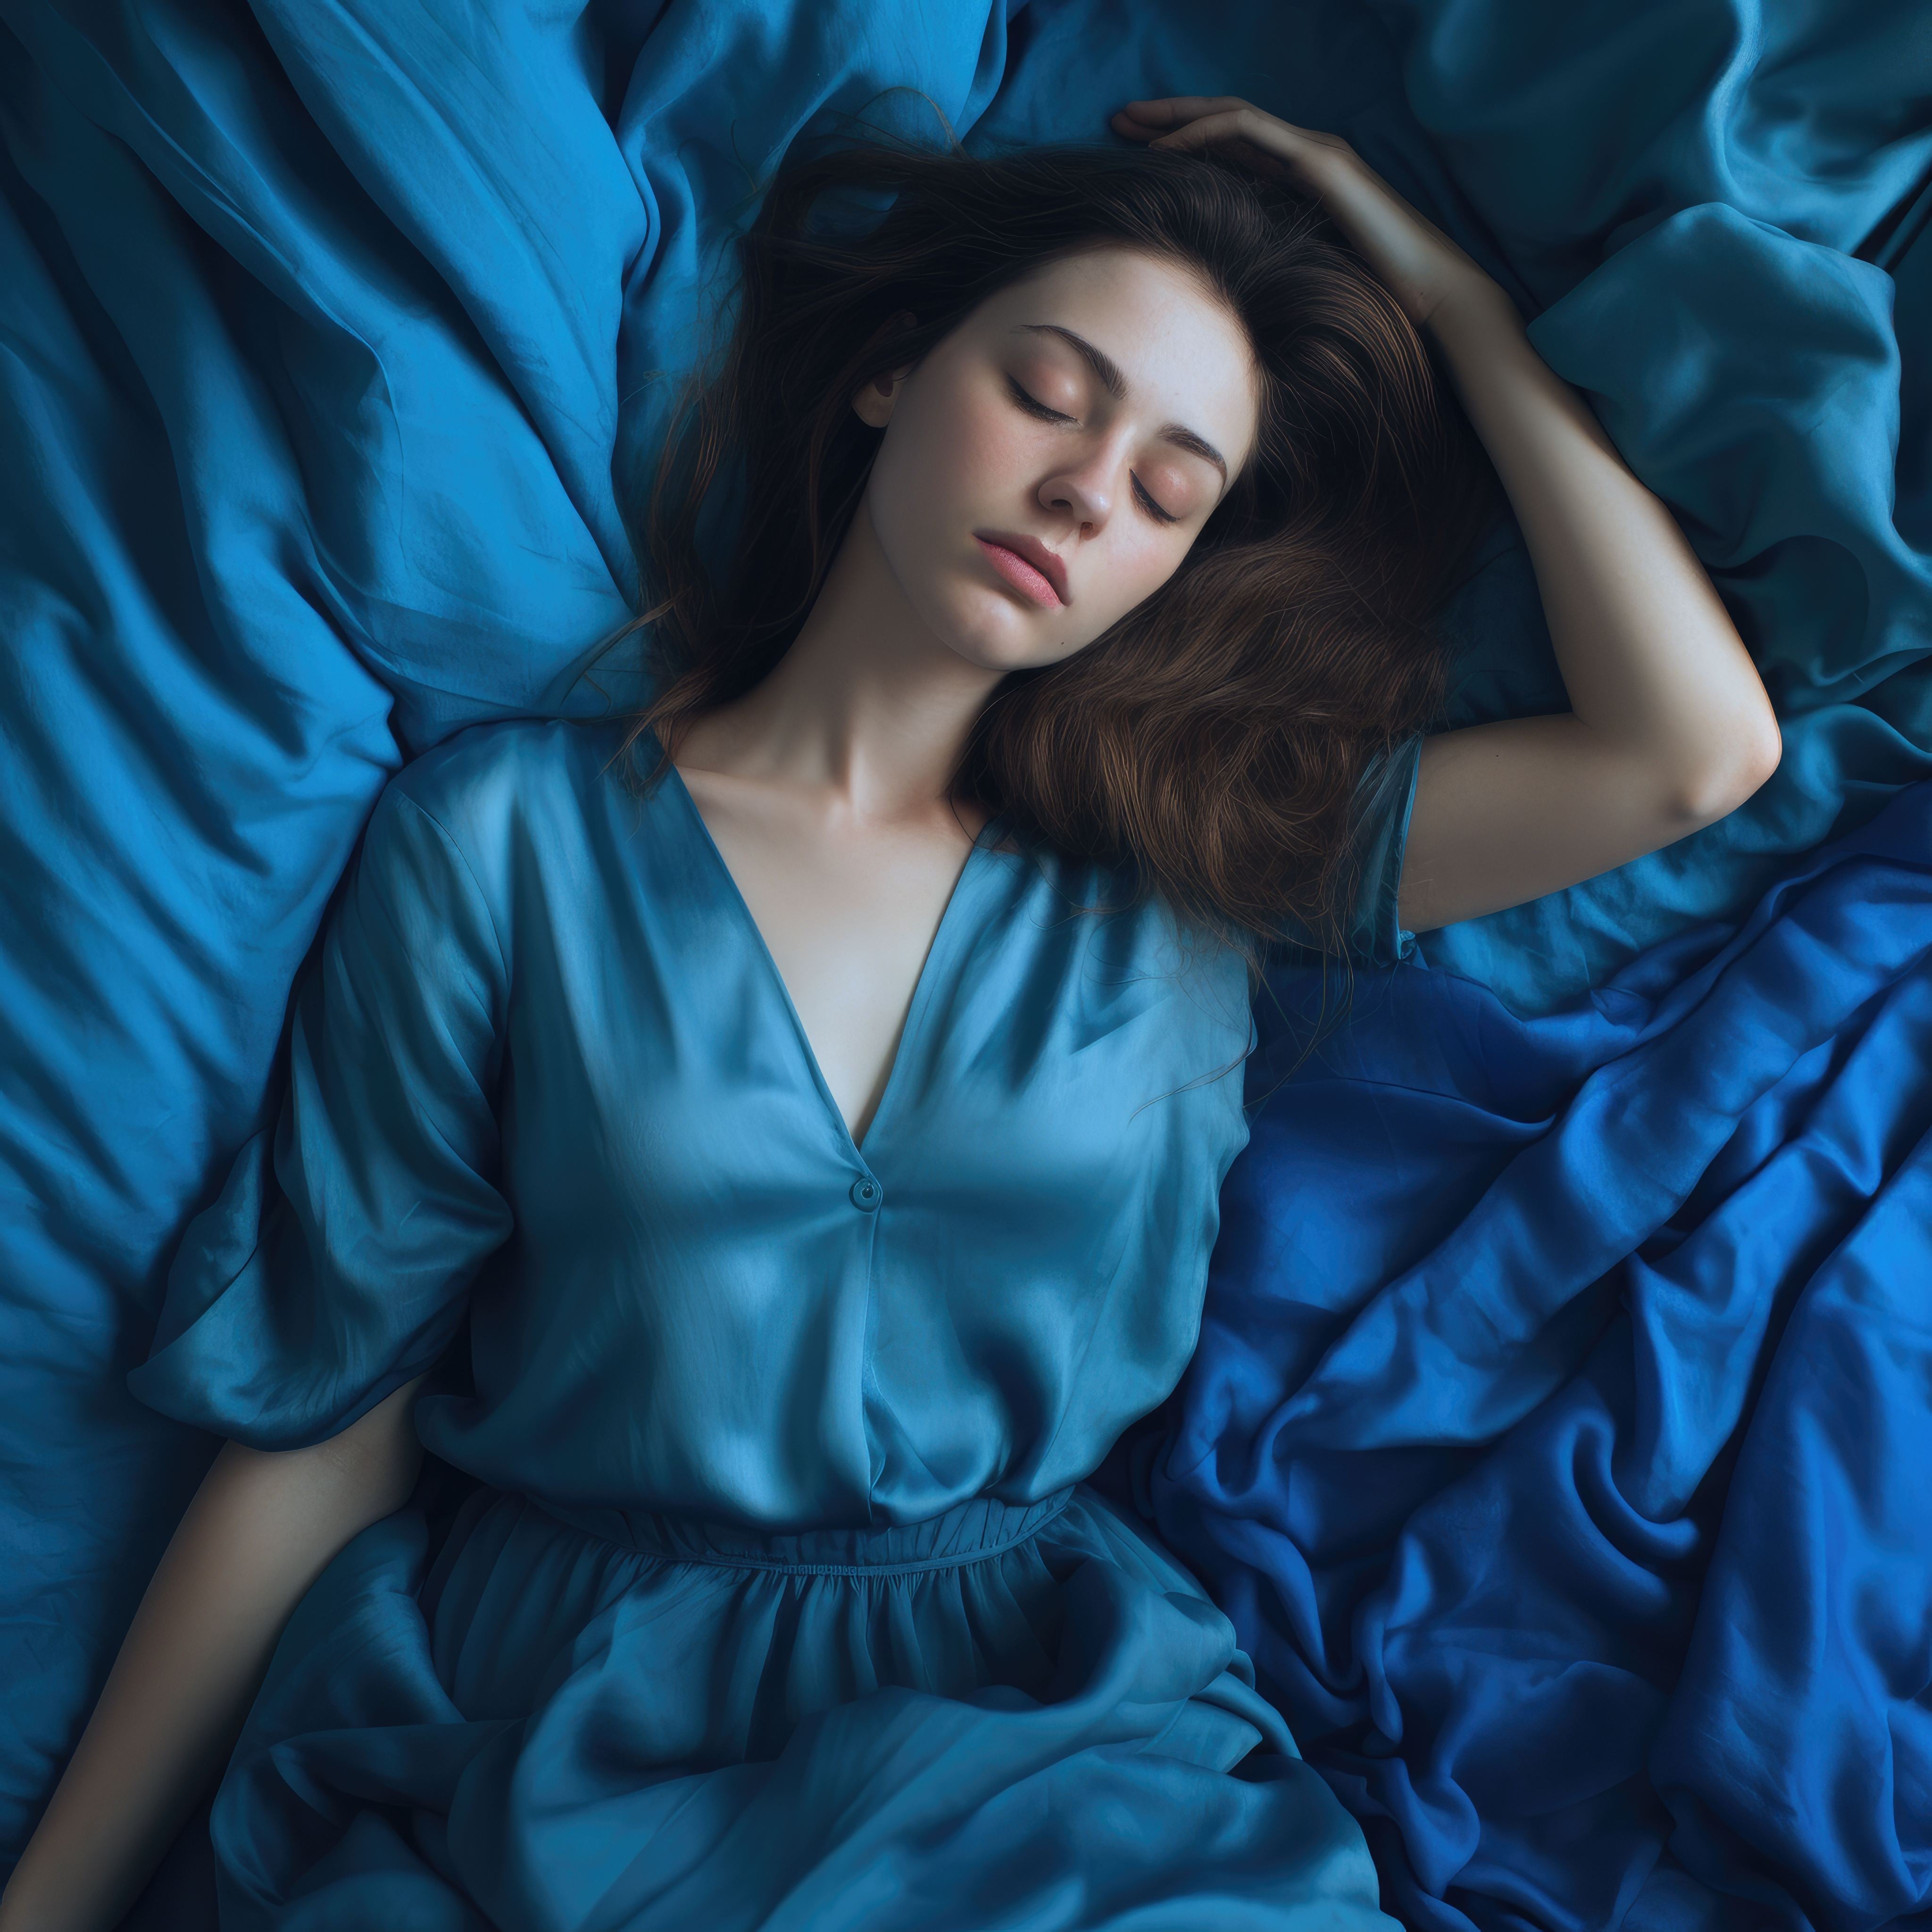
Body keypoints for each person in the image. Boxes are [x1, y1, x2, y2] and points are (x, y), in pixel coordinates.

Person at [1, 97, 1780, 1932]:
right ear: (890, 373)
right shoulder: (508, 840)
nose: (1092, 489)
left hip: (1025, 1735)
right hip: (545, 1728)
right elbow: (321, 1423)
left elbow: (1692, 753)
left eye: (1174, 487)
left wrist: (1448, 299)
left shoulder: (1190, 863)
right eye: (1052, 391)